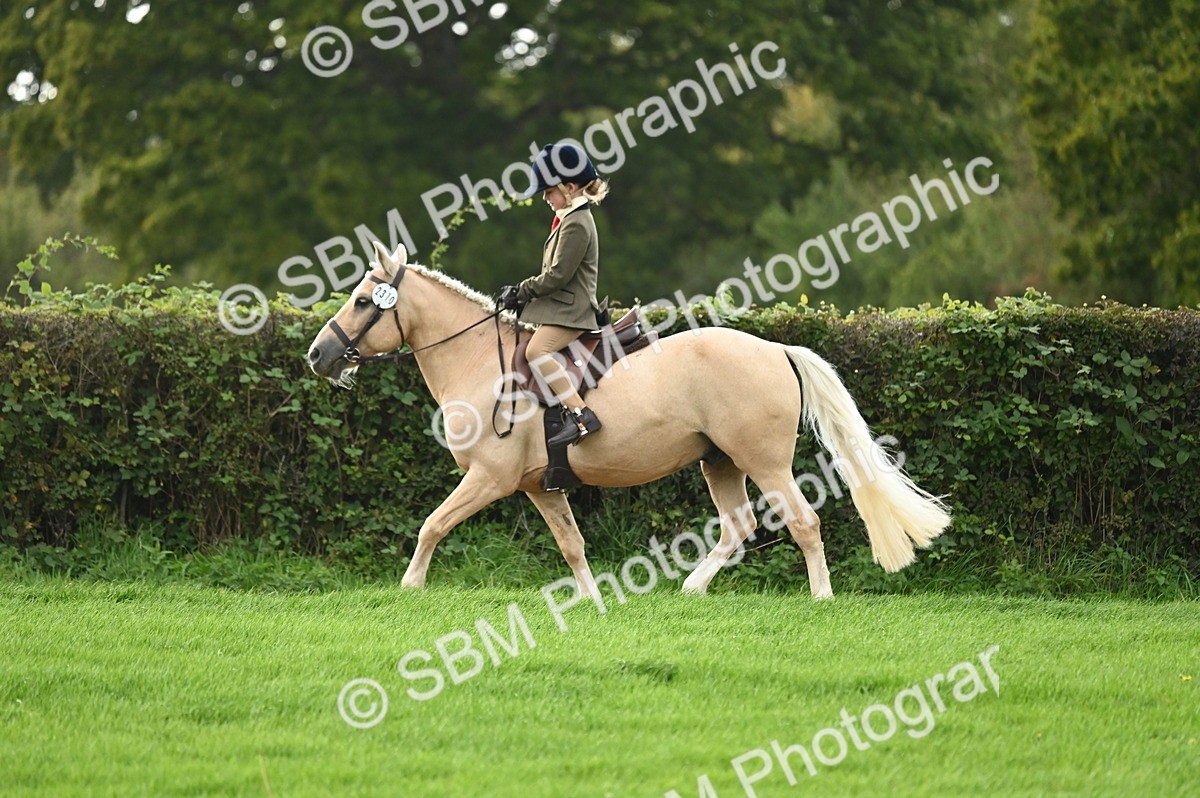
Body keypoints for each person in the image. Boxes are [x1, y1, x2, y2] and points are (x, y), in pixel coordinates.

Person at [499, 142, 610, 446]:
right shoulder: (569, 219)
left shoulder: (577, 224)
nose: (546, 199)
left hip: (571, 312)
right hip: (561, 309)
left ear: (570, 187)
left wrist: (521, 291)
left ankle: (581, 414)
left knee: (536, 352)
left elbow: (557, 276)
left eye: (549, 192)